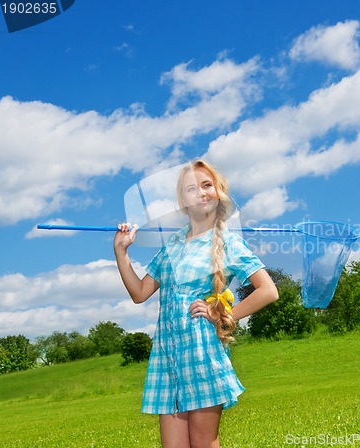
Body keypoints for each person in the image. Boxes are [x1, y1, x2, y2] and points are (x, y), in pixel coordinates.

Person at [114, 159, 278, 448]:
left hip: (201, 353)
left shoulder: (228, 242)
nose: (201, 193)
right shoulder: (172, 246)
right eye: (192, 188)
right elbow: (140, 293)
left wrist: (225, 314)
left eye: (207, 185)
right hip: (167, 358)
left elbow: (268, 290)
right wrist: (121, 252)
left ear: (218, 192)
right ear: (182, 200)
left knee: (203, 442)